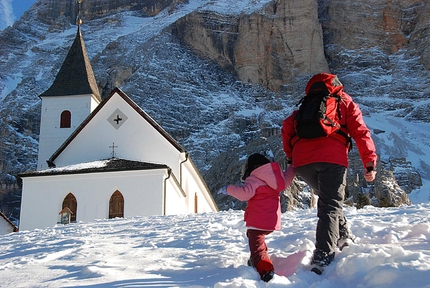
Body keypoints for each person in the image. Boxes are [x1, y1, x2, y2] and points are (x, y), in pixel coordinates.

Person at [281, 73, 377, 274]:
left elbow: (286, 128)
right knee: (330, 205)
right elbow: (360, 132)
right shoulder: (344, 102)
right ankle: (322, 255)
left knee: (329, 201)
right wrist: (369, 163)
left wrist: (291, 157)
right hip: (332, 159)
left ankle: (344, 236)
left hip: (303, 162)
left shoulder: (306, 104)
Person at [218, 153, 295, 282]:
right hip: (272, 221)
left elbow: (244, 194)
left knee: (256, 244)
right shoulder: (277, 179)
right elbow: (288, 176)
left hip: (257, 220)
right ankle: (259, 259)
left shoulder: (254, 178)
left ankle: (265, 270)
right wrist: (293, 165)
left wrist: (228, 189)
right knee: (258, 239)